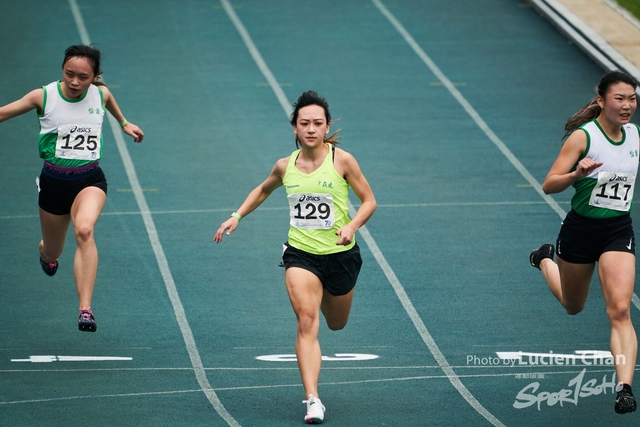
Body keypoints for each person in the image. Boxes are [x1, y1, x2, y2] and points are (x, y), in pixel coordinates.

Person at [214, 90, 376, 424]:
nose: (312, 129)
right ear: (295, 128)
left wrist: (352, 226)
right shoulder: (285, 166)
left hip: (341, 255)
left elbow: (369, 200)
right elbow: (262, 189)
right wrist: (236, 215)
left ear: (326, 125)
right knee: (306, 319)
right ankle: (313, 399)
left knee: (336, 323)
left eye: (318, 123)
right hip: (301, 255)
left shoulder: (342, 161)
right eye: (305, 123)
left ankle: (324, 325)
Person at [0, 45, 144, 332]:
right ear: (62, 71)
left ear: (94, 77)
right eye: (69, 75)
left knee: (84, 230)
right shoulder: (43, 96)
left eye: (83, 77)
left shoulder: (99, 93)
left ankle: (85, 309)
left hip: (89, 179)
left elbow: (108, 98)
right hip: (53, 183)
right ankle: (46, 255)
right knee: (54, 250)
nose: (75, 82)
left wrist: (124, 123)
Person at [530, 70, 638, 414]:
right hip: (579, 232)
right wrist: (577, 174)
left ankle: (623, 387)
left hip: (617, 231)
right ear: (602, 100)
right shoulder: (583, 138)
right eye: (619, 98)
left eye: (632, 99)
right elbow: (549, 185)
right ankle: (546, 259)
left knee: (620, 309)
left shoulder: (635, 136)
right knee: (572, 305)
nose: (626, 106)